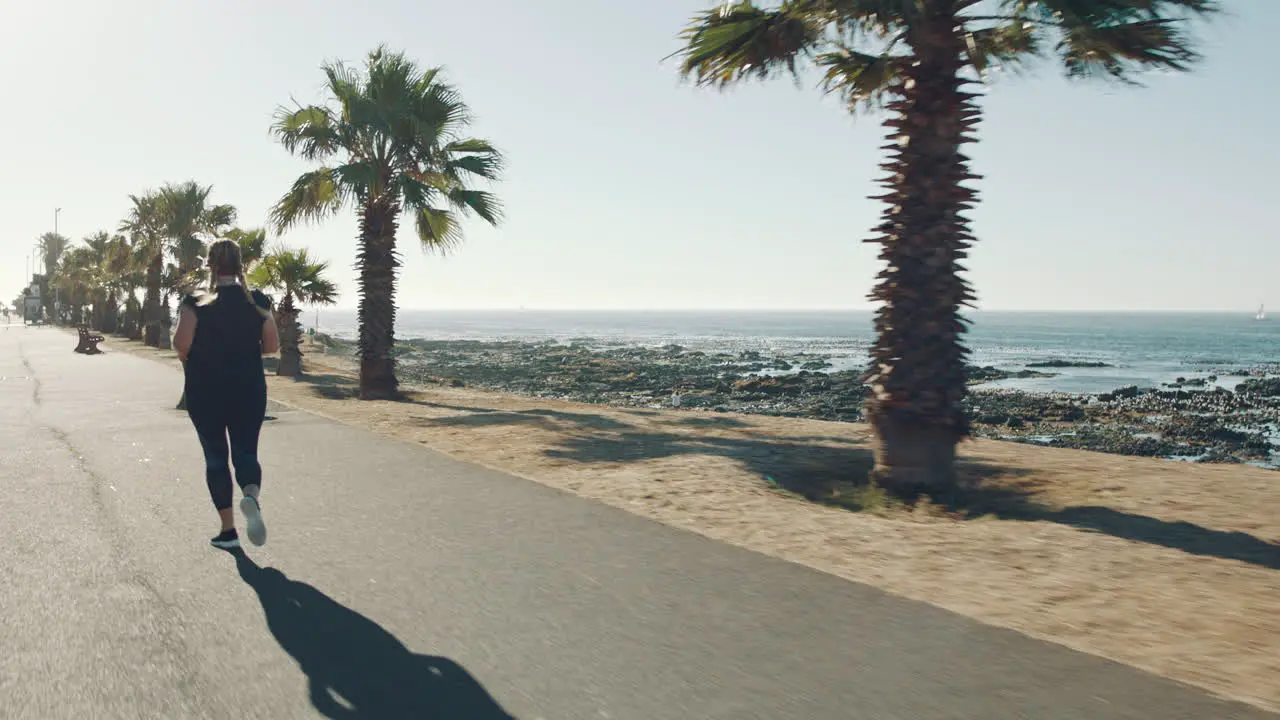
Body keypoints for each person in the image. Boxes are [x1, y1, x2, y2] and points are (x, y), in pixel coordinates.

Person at [174, 239, 280, 550]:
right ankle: (250, 495)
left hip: (205, 390)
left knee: (216, 457)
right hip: (248, 388)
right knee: (246, 451)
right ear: (240, 264)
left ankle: (228, 531)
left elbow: (182, 344)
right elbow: (272, 347)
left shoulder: (195, 300)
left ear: (210, 264)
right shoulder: (258, 300)